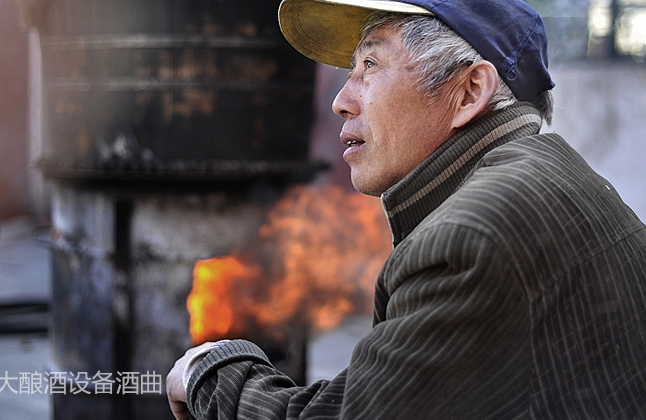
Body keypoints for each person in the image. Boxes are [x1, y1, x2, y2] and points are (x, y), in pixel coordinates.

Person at [167, 0, 646, 418]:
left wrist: (208, 372)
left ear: (469, 91)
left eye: (370, 65)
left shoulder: (469, 237)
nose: (341, 101)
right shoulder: (556, 175)